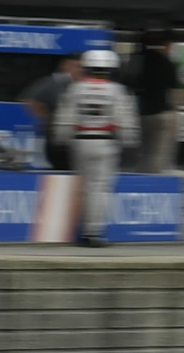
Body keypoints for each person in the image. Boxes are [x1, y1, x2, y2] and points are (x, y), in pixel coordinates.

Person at [53, 48, 140, 246]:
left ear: (87, 67)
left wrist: (60, 139)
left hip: (80, 142)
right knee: (100, 188)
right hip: (106, 142)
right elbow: (125, 120)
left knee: (83, 188)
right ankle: (93, 233)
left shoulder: (75, 89)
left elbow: (65, 117)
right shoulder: (117, 91)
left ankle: (79, 231)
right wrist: (129, 142)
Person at [20, 56, 82, 171]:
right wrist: (47, 117)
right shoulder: (57, 80)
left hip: (82, 136)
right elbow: (30, 98)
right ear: (64, 65)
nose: (77, 69)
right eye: (75, 65)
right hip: (58, 135)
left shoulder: (87, 83)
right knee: (61, 167)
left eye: (80, 66)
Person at [130, 40, 182, 174]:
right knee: (159, 154)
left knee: (144, 150)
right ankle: (155, 179)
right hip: (161, 114)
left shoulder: (140, 61)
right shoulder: (168, 64)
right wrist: (176, 113)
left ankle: (142, 175)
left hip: (143, 114)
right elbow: (175, 92)